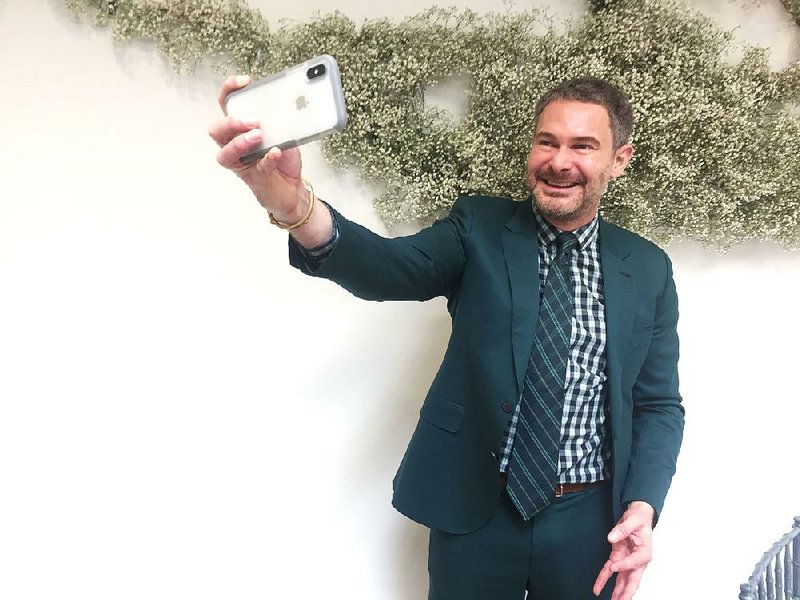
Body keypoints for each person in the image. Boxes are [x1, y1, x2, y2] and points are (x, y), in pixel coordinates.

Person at [209, 75, 684, 600]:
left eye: (582, 146)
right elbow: (388, 269)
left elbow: (658, 404)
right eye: (547, 141)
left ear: (619, 159)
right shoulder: (478, 227)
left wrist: (644, 504)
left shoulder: (647, 269)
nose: (558, 161)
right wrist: (294, 204)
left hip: (591, 524)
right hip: (476, 510)